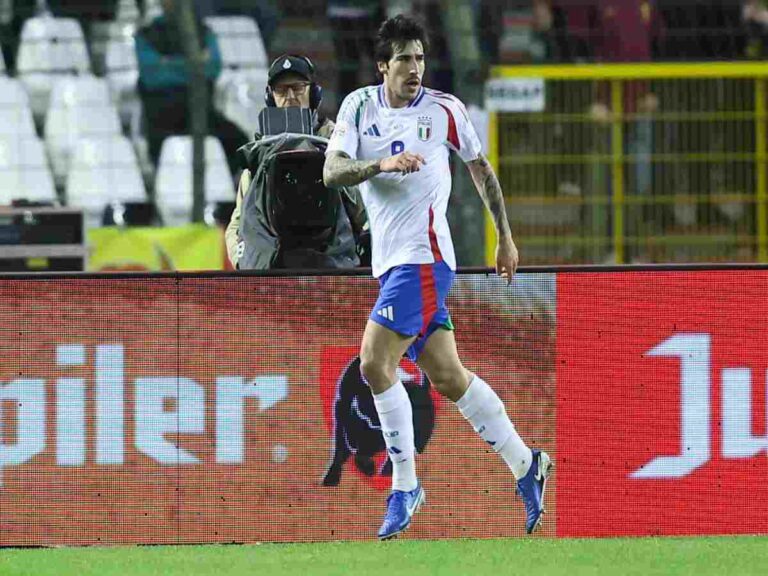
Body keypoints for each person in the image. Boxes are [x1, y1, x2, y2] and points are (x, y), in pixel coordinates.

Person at [323, 14, 552, 540]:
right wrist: (381, 164)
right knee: (449, 377)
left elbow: (480, 168)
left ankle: (405, 484)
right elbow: (332, 172)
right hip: (391, 266)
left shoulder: (445, 109)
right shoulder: (358, 105)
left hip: (424, 260)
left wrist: (506, 236)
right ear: (383, 65)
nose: (415, 68)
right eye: (404, 59)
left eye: (420, 57)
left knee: (375, 363)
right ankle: (526, 463)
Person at [225, 53, 367, 269]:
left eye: (298, 88)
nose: (290, 96)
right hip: (274, 265)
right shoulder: (260, 152)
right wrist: (243, 259)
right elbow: (239, 221)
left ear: (315, 93)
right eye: (281, 90)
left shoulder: (340, 141)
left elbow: (361, 210)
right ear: (270, 97)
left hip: (329, 263)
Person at [135, 0, 248, 176]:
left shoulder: (204, 32)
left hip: (203, 114)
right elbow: (152, 77)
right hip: (163, 118)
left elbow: (213, 68)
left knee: (239, 142)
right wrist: (195, 64)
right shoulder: (146, 35)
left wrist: (168, 63)